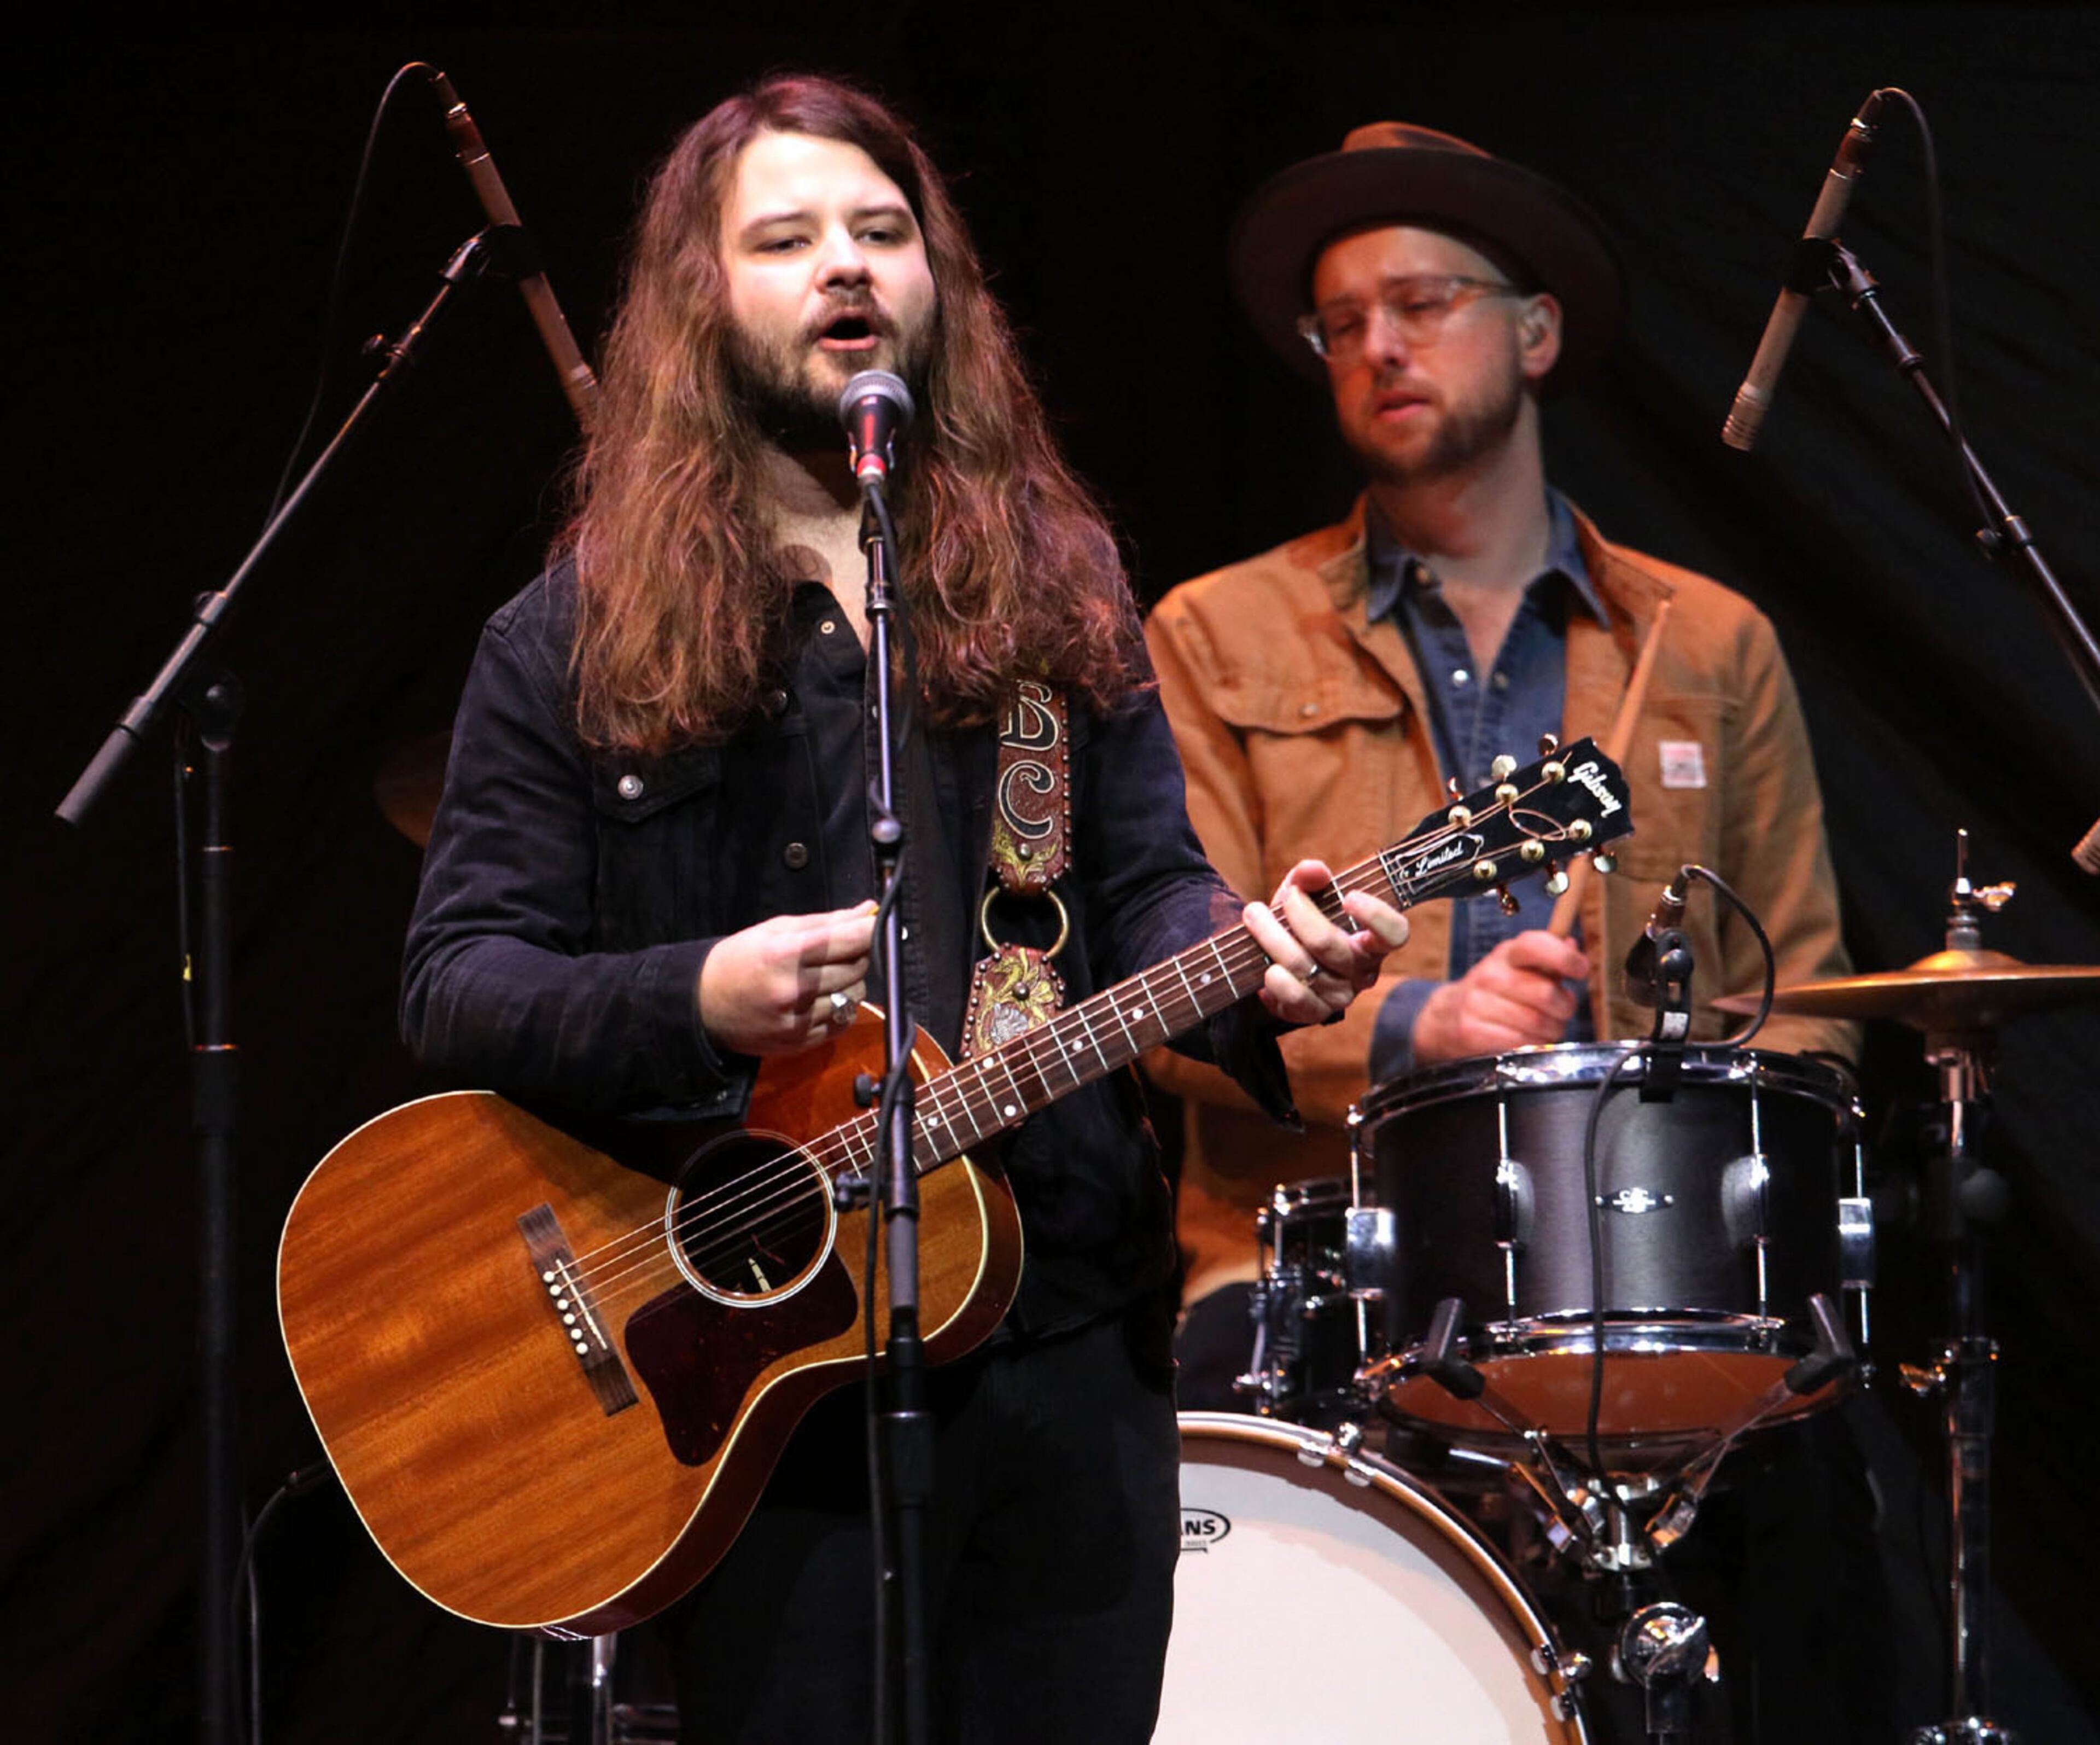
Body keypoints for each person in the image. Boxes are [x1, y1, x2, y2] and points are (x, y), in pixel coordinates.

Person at [399, 75, 1406, 1744]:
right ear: (698, 300)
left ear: (938, 283)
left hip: (1067, 1340)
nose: (847, 268)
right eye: (786, 240)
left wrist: (1252, 966)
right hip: (771, 1386)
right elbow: (457, 982)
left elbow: (1140, 888)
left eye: (881, 231)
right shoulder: (565, 639)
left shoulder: (1051, 587)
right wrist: (697, 995)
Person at [1142, 124, 1886, 1742]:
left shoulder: (1710, 643)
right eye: (1343, 323)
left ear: (1536, 332)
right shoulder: (1213, 634)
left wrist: (1662, 1082)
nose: (1382, 346)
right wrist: (1419, 1029)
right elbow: (1156, 1004)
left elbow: (1816, 1006)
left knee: (1826, 1482)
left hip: (1653, 1271)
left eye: (1423, 301)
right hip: (1312, 1283)